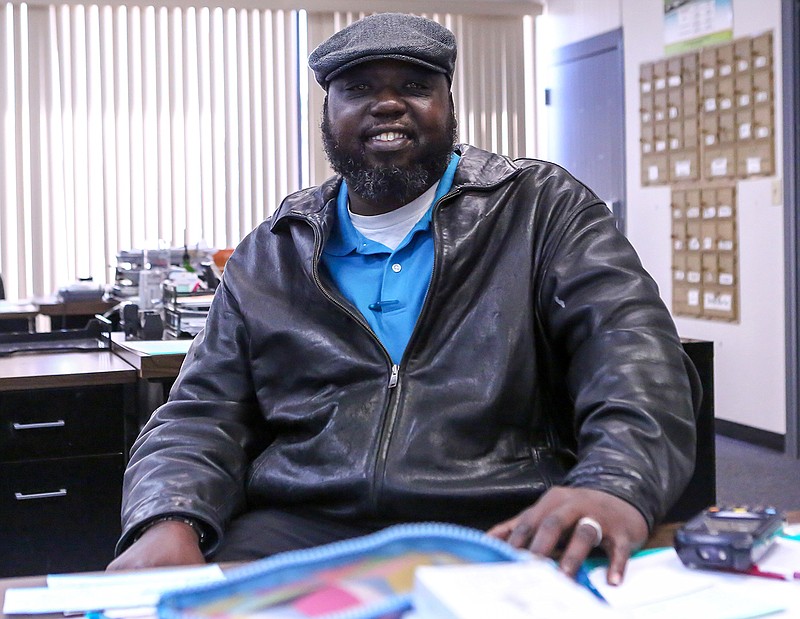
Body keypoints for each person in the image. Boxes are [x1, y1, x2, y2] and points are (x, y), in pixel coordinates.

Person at [108, 13, 700, 586]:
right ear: (327, 114)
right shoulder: (273, 249)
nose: (388, 104)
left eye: (416, 86)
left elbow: (634, 356)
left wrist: (614, 482)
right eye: (358, 88)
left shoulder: (542, 208)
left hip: (500, 516)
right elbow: (201, 411)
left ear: (449, 105)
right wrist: (169, 515)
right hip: (303, 526)